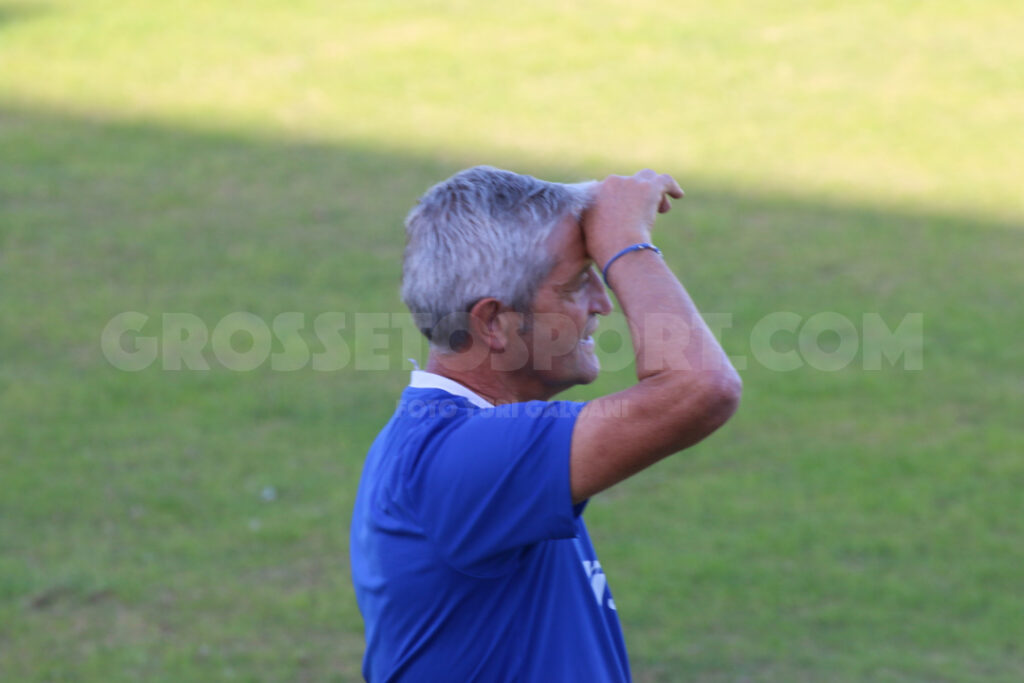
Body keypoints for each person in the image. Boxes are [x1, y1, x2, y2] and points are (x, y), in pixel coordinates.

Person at [350, 166, 742, 681]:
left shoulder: (456, 441)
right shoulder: (463, 458)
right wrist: (627, 244)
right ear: (493, 322)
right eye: (578, 284)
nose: (603, 303)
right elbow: (702, 388)